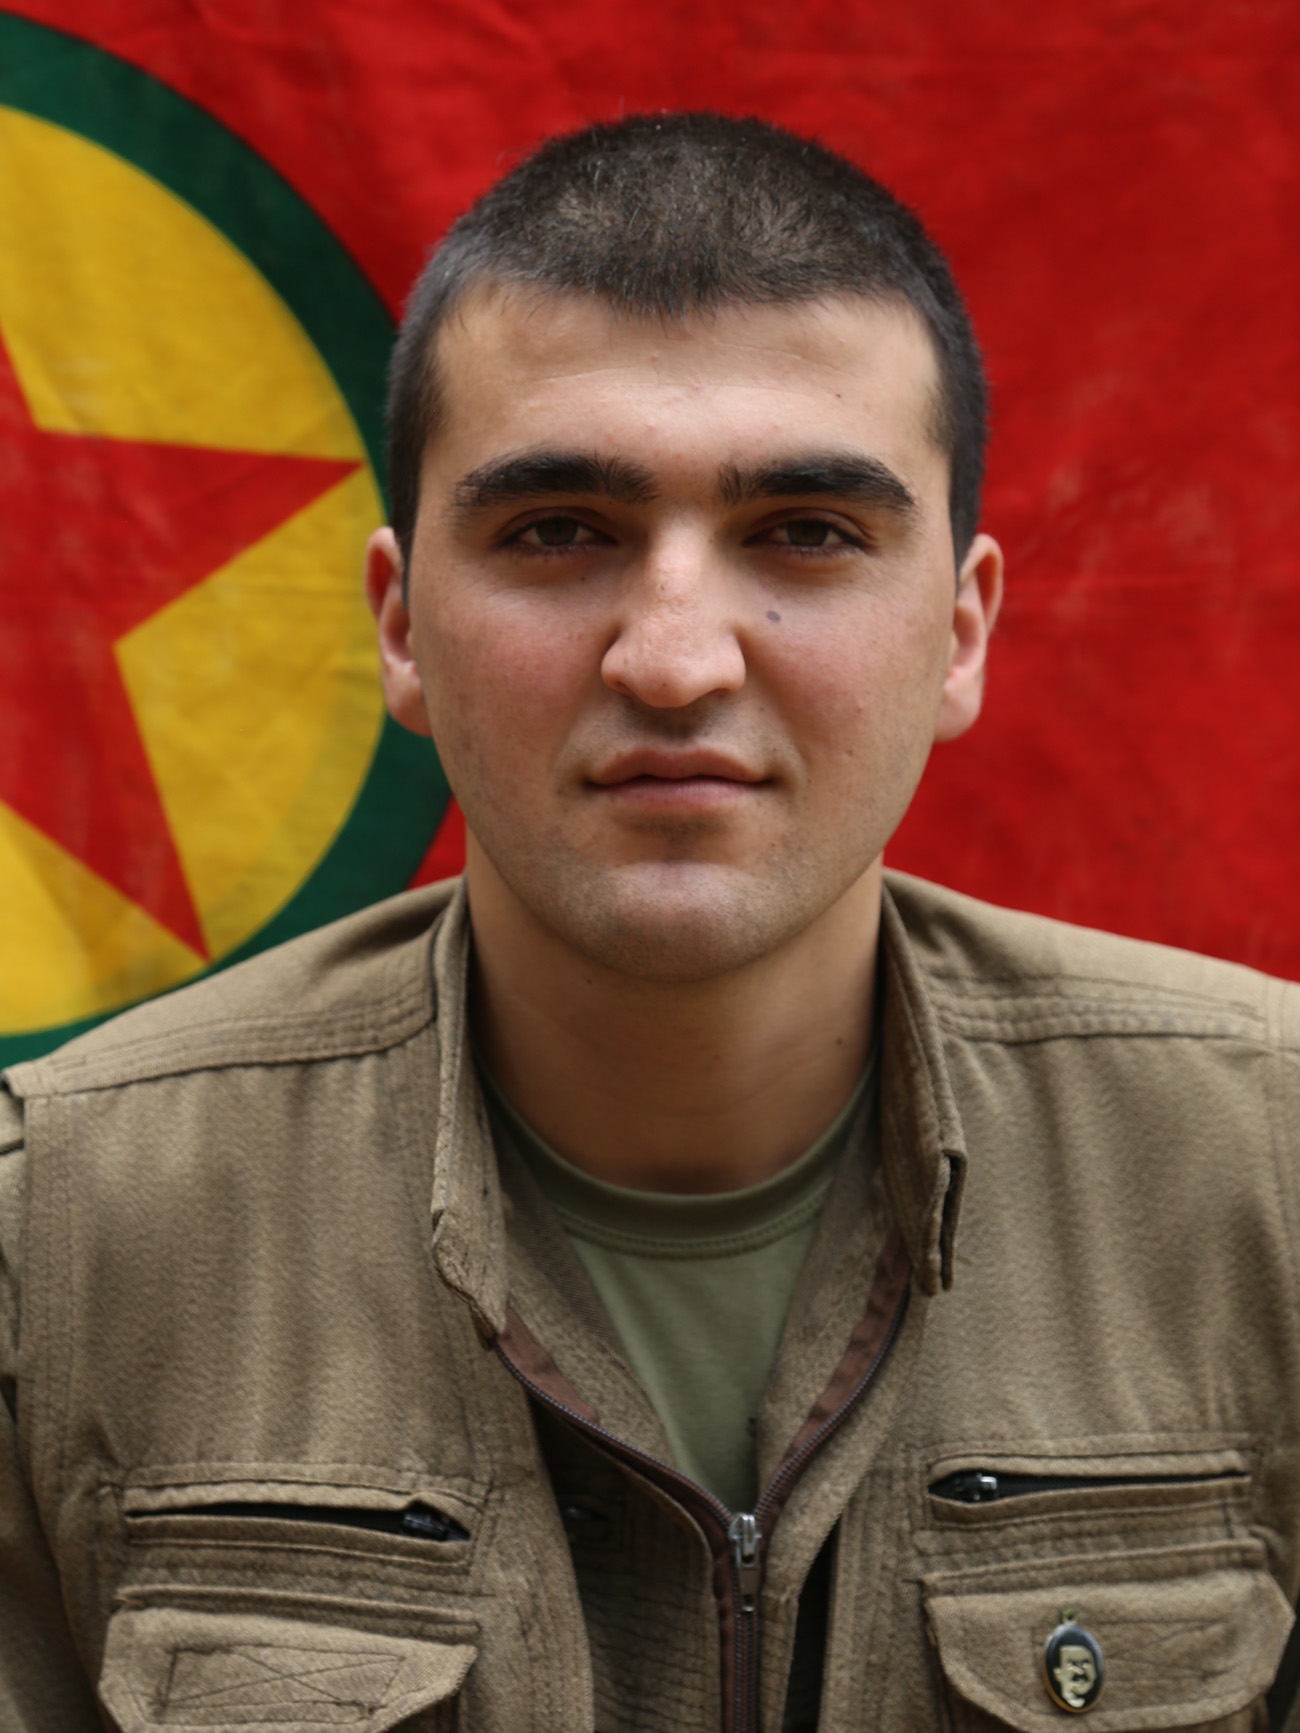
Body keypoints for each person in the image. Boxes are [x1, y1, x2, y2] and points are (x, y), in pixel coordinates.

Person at [1, 112, 1298, 1733]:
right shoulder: (58, 1244)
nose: (676, 662)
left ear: (961, 631)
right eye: (560, 532)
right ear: (399, 626)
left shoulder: (1269, 1175)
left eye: (806, 533)